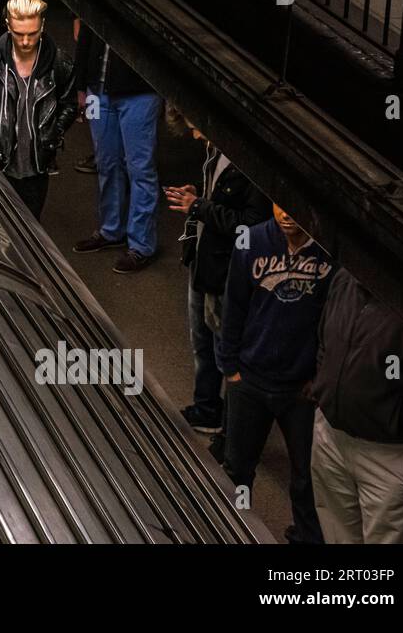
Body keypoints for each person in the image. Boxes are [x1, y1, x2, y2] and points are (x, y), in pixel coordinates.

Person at [220, 203, 335, 544]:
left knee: (306, 477)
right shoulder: (251, 241)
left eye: (296, 209)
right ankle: (234, 532)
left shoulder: (329, 253)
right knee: (238, 470)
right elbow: (233, 306)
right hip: (251, 380)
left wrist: (320, 376)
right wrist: (230, 369)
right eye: (280, 206)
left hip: (300, 389)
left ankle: (307, 540)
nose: (286, 215)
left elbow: (333, 323)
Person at [310, 269, 403, 543]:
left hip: (388, 456)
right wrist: (323, 397)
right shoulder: (345, 279)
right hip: (331, 439)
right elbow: (324, 341)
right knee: (337, 536)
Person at [163, 112, 272, 438]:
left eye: (197, 128)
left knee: (227, 348)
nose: (195, 137)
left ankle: (235, 428)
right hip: (204, 260)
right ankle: (207, 408)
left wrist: (200, 207)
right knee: (202, 341)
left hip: (227, 271)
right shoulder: (217, 153)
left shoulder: (252, 164)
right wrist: (201, 197)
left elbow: (252, 224)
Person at [0, 0, 77, 219]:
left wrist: (53, 133)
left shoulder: (59, 62)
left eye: (33, 33)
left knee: (31, 228)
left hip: (37, 168)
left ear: (43, 26)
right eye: (19, 34)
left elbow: (69, 105)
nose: (26, 42)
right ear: (8, 25)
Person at [71, 27, 161, 274]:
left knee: (140, 169)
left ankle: (141, 245)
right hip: (97, 92)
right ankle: (111, 230)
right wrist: (80, 86)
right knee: (106, 162)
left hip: (140, 91)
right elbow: (87, 33)